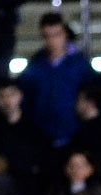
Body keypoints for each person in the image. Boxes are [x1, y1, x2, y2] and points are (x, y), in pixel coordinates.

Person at [18, 12, 93, 151]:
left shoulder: (79, 64)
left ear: (64, 33)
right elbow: (27, 98)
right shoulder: (35, 65)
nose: (52, 41)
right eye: (47, 36)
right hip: (43, 134)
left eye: (56, 34)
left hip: (74, 132)